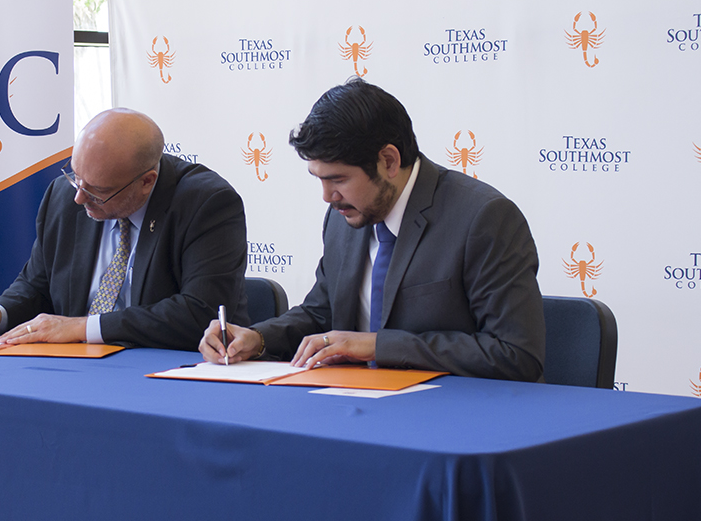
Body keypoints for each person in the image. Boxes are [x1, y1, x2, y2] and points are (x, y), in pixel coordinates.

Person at [200, 78, 545, 382]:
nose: (327, 197)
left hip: (452, 416)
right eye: (319, 179)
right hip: (352, 404)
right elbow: (321, 314)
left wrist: (378, 345)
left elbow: (515, 353)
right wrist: (256, 339)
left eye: (338, 179)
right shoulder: (344, 214)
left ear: (389, 161)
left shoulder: (483, 218)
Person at [0, 107, 249, 350]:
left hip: (166, 370)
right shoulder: (63, 196)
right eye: (76, 177)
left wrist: (83, 327)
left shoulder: (207, 203)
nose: (80, 197)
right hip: (74, 368)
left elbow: (198, 314)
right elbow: (36, 285)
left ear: (146, 181)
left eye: (97, 191)